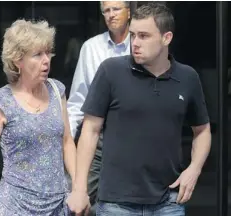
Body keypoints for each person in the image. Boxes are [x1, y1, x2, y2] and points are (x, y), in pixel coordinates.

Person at [67, 3, 211, 216]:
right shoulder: (111, 71)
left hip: (169, 200)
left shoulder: (187, 78)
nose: (135, 43)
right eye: (133, 35)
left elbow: (202, 130)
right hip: (117, 202)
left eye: (144, 36)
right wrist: (79, 189)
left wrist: (194, 170)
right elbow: (90, 130)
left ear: (166, 38)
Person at [0, 19, 76, 216]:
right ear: (17, 60)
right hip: (15, 205)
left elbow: (67, 142)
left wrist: (78, 187)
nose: (46, 60)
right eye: (37, 55)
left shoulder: (57, 90)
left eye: (48, 52)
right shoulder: (0, 101)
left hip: (58, 204)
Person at [67, 1, 130, 214]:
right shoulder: (91, 47)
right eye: (106, 11)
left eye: (116, 9)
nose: (111, 15)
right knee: (77, 199)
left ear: (129, 11)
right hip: (97, 135)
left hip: (132, 136)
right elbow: (78, 100)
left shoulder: (140, 43)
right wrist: (66, 137)